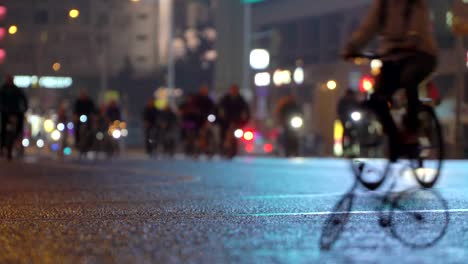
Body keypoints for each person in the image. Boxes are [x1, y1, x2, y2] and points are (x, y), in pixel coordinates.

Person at [342, 0, 438, 161]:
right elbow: (368, 27)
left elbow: (418, 23)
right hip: (393, 56)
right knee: (376, 98)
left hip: (421, 54)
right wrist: (351, 47)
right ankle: (395, 141)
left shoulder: (415, 3)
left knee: (409, 78)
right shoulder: (383, 4)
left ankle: (413, 131)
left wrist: (412, 39)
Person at [0, 75, 28, 159]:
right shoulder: (3, 89)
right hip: (5, 112)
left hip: (15, 112)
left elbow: (24, 99)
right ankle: (2, 146)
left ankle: (17, 137)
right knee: (3, 129)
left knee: (18, 126)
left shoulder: (16, 90)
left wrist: (24, 108)